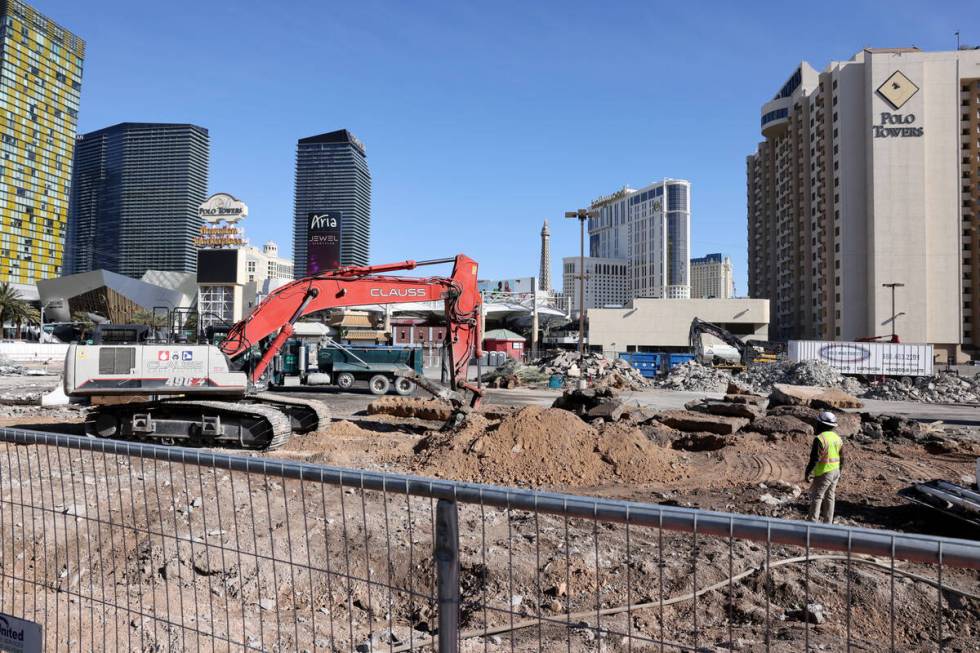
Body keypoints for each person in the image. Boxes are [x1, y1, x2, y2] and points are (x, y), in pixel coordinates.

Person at [804, 411, 844, 523]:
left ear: (821, 424)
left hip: (825, 472)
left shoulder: (820, 438)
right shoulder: (837, 438)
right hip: (835, 471)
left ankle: (812, 522)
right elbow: (842, 457)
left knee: (817, 496)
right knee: (830, 496)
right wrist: (839, 471)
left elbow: (815, 459)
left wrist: (808, 472)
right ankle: (828, 522)